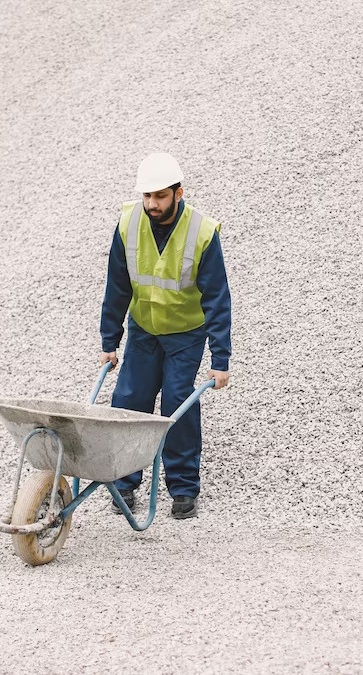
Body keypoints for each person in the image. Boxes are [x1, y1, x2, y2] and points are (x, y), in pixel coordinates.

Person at [99, 153, 231, 519]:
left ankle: (184, 488)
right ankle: (124, 483)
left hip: (186, 335)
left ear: (178, 193)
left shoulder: (201, 233)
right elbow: (117, 285)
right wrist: (109, 341)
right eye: (146, 197)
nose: (151, 205)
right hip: (144, 330)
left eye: (159, 196)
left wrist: (220, 360)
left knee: (177, 403)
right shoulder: (128, 224)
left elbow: (218, 298)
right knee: (128, 399)